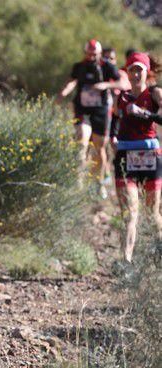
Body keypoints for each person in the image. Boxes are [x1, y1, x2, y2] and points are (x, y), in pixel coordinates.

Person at [57, 40, 126, 198]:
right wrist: (64, 93)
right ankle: (78, 183)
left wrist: (105, 85)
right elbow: (71, 81)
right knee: (81, 140)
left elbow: (121, 83)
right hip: (82, 109)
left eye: (94, 54)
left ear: (99, 53)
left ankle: (98, 182)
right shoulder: (79, 66)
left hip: (100, 111)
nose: (91, 57)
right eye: (89, 54)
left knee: (99, 147)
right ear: (85, 53)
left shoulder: (107, 66)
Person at [111, 51, 162, 263]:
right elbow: (114, 119)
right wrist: (112, 137)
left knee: (152, 213)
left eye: (139, 69)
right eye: (131, 69)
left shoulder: (155, 94)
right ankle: (126, 262)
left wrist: (145, 114)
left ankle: (159, 255)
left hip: (150, 157)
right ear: (127, 72)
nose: (135, 74)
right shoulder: (120, 97)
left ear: (146, 71)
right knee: (130, 214)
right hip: (125, 157)